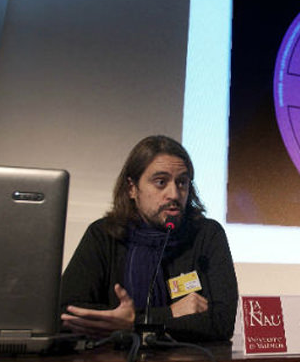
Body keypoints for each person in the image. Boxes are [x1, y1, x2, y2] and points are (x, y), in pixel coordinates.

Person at [60, 135, 238, 342]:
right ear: (132, 188)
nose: (174, 193)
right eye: (161, 182)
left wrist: (131, 322)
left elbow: (222, 323)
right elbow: (66, 312)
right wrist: (167, 315)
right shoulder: (104, 234)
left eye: (182, 182)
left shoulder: (206, 234)